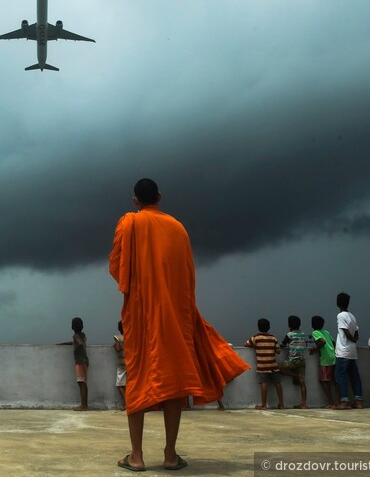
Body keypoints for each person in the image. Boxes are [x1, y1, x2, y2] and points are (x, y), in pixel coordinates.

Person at [109, 178, 249, 472]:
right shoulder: (178, 228)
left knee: (137, 380)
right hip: (175, 315)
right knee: (174, 383)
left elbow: (117, 268)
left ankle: (136, 456)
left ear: (135, 201)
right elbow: (187, 275)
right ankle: (170, 455)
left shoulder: (129, 224)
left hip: (141, 315)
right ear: (159, 196)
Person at [244, 318, 284, 410]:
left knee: (264, 383)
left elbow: (246, 344)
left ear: (258, 327)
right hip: (273, 365)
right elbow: (278, 351)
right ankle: (281, 404)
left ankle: (264, 405)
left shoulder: (255, 338)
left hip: (262, 366)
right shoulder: (273, 338)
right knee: (277, 383)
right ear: (269, 327)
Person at [335, 292, 362, 409]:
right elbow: (356, 332)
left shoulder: (340, 316)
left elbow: (345, 332)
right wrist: (354, 340)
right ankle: (358, 401)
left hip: (343, 351)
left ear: (337, 303)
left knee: (340, 375)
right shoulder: (352, 316)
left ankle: (344, 401)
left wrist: (352, 339)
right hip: (352, 352)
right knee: (354, 376)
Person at [308, 315, 338, 409]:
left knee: (324, 381)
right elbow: (333, 343)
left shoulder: (315, 332)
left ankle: (331, 403)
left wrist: (315, 350)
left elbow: (323, 342)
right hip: (333, 357)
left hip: (325, 359)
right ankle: (337, 402)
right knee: (335, 381)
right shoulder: (326, 332)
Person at [278, 315, 307, 409]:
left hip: (293, 361)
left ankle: (294, 375)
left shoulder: (290, 335)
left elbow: (282, 345)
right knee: (302, 383)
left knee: (278, 367)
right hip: (302, 361)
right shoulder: (303, 334)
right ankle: (303, 403)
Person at [71, 317, 89, 411]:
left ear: (72, 327)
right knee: (83, 383)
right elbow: (78, 342)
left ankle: (83, 405)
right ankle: (84, 405)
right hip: (85, 360)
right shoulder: (83, 334)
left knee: (81, 383)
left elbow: (80, 343)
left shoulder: (75, 336)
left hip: (80, 361)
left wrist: (76, 348)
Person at [113, 320, 126, 411]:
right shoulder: (130, 336)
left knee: (120, 385)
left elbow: (118, 349)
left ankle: (126, 403)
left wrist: (115, 345)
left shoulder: (118, 337)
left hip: (121, 364)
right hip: (130, 363)